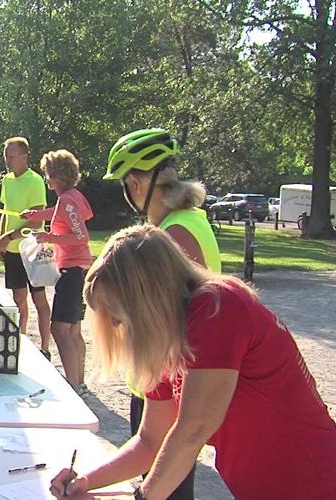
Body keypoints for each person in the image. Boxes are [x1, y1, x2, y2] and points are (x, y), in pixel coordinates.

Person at [50, 225, 336, 500]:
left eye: (120, 316)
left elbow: (193, 429)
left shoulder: (218, 306)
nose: (119, 329)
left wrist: (142, 497)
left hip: (329, 490)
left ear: (146, 300)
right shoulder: (172, 334)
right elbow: (149, 441)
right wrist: (86, 482)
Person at [102, 127, 221, 499]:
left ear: (136, 183)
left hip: (167, 386)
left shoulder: (172, 235)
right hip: (166, 383)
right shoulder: (188, 220)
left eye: (125, 183)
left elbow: (161, 319)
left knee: (167, 488)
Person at [20, 150, 92, 390]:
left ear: (58, 176)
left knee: (59, 328)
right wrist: (36, 215)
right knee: (72, 328)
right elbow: (67, 212)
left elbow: (81, 236)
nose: (46, 179)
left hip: (71, 269)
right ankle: (78, 380)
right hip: (78, 269)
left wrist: (49, 237)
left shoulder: (68, 199)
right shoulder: (74, 197)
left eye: (48, 175)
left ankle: (72, 385)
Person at [0, 137, 51, 354]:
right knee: (19, 299)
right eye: (5, 156)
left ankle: (45, 347)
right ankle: (21, 344)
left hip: (33, 247)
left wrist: (9, 236)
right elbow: (5, 212)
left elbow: (38, 220)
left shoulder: (35, 181)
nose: (7, 160)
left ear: (24, 157)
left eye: (11, 156)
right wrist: (1, 239)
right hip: (12, 250)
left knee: (39, 298)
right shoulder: (7, 180)